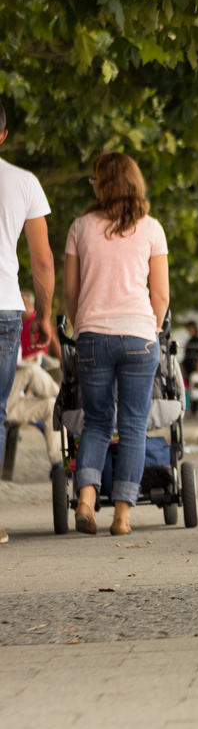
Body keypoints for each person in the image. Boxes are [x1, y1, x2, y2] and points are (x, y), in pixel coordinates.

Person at [64, 151, 170, 537]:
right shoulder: (151, 228)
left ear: (102, 184)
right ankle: (122, 516)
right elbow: (160, 295)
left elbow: (71, 292)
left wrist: (81, 326)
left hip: (93, 335)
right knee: (133, 426)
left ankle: (87, 499)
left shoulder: (80, 227)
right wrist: (151, 328)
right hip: (139, 335)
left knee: (95, 423)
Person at [0, 102, 55, 543]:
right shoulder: (24, 182)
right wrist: (45, 315)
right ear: (3, 135)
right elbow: (42, 260)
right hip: (4, 309)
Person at [7, 361, 62, 468]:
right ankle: (59, 394)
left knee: (52, 405)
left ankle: (59, 464)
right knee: (30, 369)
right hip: (5, 400)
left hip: (11, 402)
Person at [20, 288, 61, 368]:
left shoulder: (39, 319)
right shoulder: (16, 323)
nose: (20, 307)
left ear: (31, 305)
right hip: (24, 364)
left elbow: (53, 339)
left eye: (23, 303)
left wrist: (63, 362)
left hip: (40, 362)